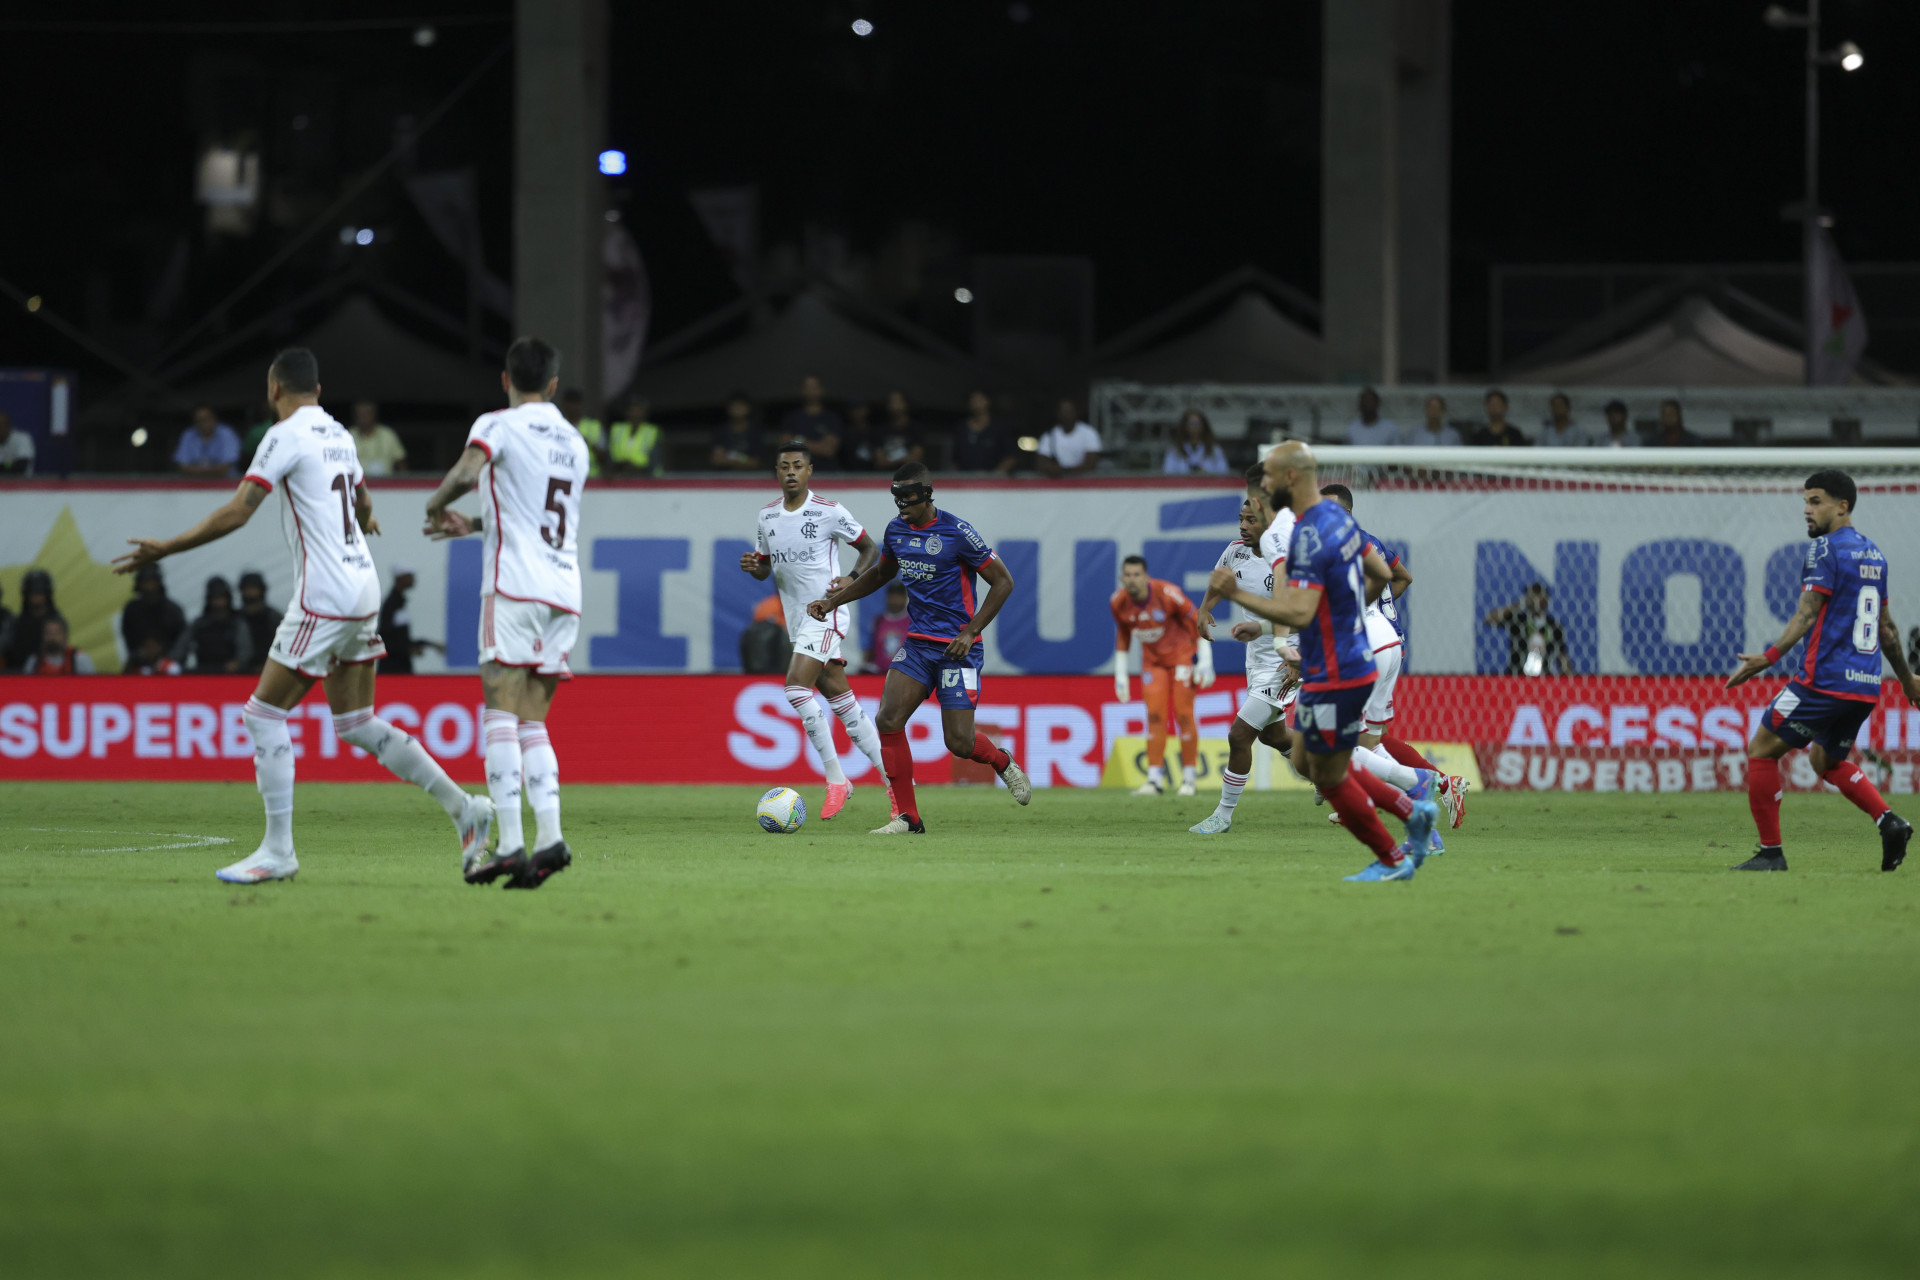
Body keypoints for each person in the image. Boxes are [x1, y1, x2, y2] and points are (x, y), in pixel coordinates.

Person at [115, 346, 489, 885]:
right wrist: (368, 519)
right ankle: (464, 809)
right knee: (357, 723)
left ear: (274, 390)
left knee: (262, 714)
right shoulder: (340, 435)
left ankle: (278, 851)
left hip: (326, 594)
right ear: (320, 389)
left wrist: (166, 548)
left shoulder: (283, 435)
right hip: (363, 585)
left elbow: (238, 511)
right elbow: (361, 501)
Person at [1208, 440, 1439, 881]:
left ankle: (1402, 829)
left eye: (1265, 484)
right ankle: (1413, 804)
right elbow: (1383, 573)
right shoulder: (1334, 519)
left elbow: (1295, 608)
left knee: (1326, 772)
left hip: (1334, 662)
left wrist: (1244, 602)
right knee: (1308, 762)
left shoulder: (1287, 534)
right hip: (1345, 655)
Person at [424, 336, 591, 889]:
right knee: (533, 722)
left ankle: (512, 844)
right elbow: (533, 512)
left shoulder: (497, 424)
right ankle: (550, 838)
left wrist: (436, 504)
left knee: (499, 714)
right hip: (563, 592)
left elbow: (469, 474)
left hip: (514, 587)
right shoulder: (575, 440)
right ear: (553, 385)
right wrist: (471, 526)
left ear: (505, 380)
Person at [806, 461, 1032, 834]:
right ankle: (907, 818)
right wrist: (833, 602)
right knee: (887, 719)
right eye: (897, 501)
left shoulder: (957, 532)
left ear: (927, 495)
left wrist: (970, 631)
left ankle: (1002, 762)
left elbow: (1003, 582)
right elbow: (880, 573)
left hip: (959, 649)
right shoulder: (897, 530)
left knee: (959, 742)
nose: (902, 509)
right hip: (918, 645)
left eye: (908, 501)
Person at [1726, 471, 1919, 872]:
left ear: (1842, 506)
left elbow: (1806, 612)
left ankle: (1770, 853)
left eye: (1815, 501)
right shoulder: (1874, 554)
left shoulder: (1824, 550)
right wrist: (1907, 679)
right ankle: (1890, 822)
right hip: (1865, 686)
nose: (1806, 509)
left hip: (1824, 681)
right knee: (1824, 762)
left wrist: (1770, 656)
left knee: (1761, 750)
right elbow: (1886, 628)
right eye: (1806, 501)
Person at [737, 441, 890, 819]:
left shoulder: (829, 511)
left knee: (794, 687)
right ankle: (897, 784)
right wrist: (753, 567)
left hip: (827, 613)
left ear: (809, 471)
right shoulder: (767, 517)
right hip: (797, 620)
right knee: (844, 704)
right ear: (777, 473)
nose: (790, 471)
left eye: (797, 465)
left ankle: (837, 779)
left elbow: (870, 549)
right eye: (784, 466)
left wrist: (850, 579)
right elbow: (764, 568)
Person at [1318, 483, 1467, 833]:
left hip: (1367, 647)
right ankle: (1374, 797)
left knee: (1337, 739)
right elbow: (1404, 576)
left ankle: (1433, 787)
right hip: (1388, 641)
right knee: (1373, 738)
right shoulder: (1371, 541)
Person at [1190, 465, 1297, 833]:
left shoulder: (1287, 558)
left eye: (1251, 520)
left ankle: (1222, 815)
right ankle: (1334, 777)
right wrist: (1205, 608)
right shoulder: (1237, 551)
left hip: (1290, 659)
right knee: (1273, 735)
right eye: (1241, 518)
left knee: (1239, 735)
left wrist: (1285, 649)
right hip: (1258, 659)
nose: (1243, 525)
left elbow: (1298, 613)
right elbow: (1220, 579)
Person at [1111, 555, 1212, 796]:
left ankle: (1189, 779)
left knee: (1184, 715)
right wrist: (1120, 674)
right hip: (1153, 665)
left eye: (1137, 575)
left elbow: (1197, 618)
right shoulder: (1118, 602)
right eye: (1128, 575)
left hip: (1180, 659)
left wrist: (1206, 661)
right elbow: (1123, 635)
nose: (1132, 580)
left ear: (1146, 577)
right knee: (1155, 717)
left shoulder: (1168, 593)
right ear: (1121, 578)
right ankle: (1154, 780)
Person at [1483, 582, 1570, 676]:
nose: (1534, 600)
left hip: (1543, 678)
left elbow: (1562, 657)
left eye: (1537, 595)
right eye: (1531, 596)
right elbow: (1489, 619)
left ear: (1545, 600)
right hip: (1516, 676)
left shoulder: (1554, 626)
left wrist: (1570, 678)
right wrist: (1516, 606)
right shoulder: (1518, 620)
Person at [173, 575, 252, 673]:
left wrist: (239, 662)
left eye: (222, 598)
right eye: (215, 599)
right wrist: (172, 661)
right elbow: (181, 647)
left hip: (229, 674)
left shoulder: (237, 623)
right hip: (203, 672)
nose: (219, 603)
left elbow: (245, 650)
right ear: (209, 600)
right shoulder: (199, 624)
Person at [377, 564, 440, 675]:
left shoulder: (400, 603)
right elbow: (385, 638)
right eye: (409, 576)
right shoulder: (392, 605)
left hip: (401, 667)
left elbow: (401, 638)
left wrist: (430, 644)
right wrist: (409, 650)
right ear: (399, 578)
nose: (413, 579)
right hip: (392, 670)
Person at [121, 564, 187, 665]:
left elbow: (181, 642)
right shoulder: (131, 610)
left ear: (158, 583)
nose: (149, 587)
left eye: (152, 582)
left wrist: (166, 656)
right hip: (139, 663)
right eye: (146, 582)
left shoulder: (174, 610)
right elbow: (129, 639)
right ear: (139, 584)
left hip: (169, 664)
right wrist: (141, 653)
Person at [1, 569, 63, 671]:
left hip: (49, 675)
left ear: (47, 594)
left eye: (39, 592)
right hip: (18, 675)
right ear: (26, 594)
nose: (36, 596)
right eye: (32, 592)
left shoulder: (56, 623)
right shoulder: (16, 624)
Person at [779, 375, 844, 469]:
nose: (810, 391)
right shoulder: (792, 418)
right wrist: (817, 445)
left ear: (822, 390)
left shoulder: (831, 419)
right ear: (802, 390)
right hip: (799, 476)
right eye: (807, 388)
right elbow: (785, 447)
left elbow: (828, 450)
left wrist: (798, 441)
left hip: (826, 475)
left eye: (814, 388)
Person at [952, 390, 1015, 473]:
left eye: (979, 399)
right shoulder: (962, 427)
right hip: (965, 479)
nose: (976, 403)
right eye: (973, 400)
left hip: (992, 481)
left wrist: (996, 475)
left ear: (988, 401)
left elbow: (1011, 455)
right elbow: (955, 458)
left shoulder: (999, 427)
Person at [1037, 398, 1102, 477]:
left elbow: (1091, 463)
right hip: (1057, 483)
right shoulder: (1049, 435)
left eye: (1069, 412)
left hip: (1085, 482)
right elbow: (1041, 462)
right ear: (1058, 414)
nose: (1066, 415)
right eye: (1063, 412)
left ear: (1075, 412)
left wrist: (1066, 470)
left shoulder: (1089, 433)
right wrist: (1051, 469)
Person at [173, 405, 243, 477]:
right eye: (199, 420)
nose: (203, 423)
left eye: (206, 419)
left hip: (226, 482)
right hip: (194, 482)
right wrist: (207, 472)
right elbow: (182, 466)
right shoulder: (188, 434)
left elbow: (226, 467)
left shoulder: (227, 434)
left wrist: (197, 471)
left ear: (214, 419)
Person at [236, 571, 281, 674]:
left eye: (254, 588)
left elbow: (281, 646)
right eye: (247, 589)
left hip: (268, 670)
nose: (250, 593)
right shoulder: (235, 618)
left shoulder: (273, 617)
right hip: (239, 673)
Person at [347, 401, 407, 476]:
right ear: (355, 416)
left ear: (374, 415)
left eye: (367, 413)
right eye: (360, 414)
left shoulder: (388, 435)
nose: (364, 417)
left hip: (386, 483)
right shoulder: (347, 436)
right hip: (356, 484)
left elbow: (401, 463)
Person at [866, 582, 912, 674]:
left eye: (898, 596)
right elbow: (870, 649)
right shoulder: (878, 621)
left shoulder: (912, 621)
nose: (894, 600)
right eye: (892, 596)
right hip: (879, 675)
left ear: (905, 598)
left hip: (904, 674)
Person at [709, 394, 765, 471]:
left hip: (750, 478)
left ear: (748, 408)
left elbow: (755, 462)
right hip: (725, 478)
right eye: (734, 406)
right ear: (728, 409)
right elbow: (717, 460)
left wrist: (732, 459)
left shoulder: (755, 432)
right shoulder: (720, 432)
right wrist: (744, 460)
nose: (737, 409)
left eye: (740, 406)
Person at [1163, 410, 1228, 474]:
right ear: (1185, 426)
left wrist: (1206, 475)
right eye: (1191, 423)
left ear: (1203, 426)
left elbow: (1224, 473)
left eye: (1197, 423)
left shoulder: (1215, 450)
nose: (1194, 427)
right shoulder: (1174, 450)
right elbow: (1167, 474)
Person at [22, 617, 93, 674]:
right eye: (48, 633)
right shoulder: (34, 660)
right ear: (43, 636)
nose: (52, 637)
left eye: (57, 633)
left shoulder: (79, 658)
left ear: (65, 635)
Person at [874, 391, 924, 471]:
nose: (894, 405)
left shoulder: (916, 429)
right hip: (885, 477)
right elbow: (880, 462)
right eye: (891, 401)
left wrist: (890, 460)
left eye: (898, 401)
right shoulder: (880, 431)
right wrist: (904, 459)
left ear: (906, 404)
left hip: (910, 476)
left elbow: (915, 460)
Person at [0, 409, 36, 475]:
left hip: (22, 483)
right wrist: (9, 464)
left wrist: (3, 465)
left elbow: (21, 465)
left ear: (7, 426)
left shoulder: (23, 439)